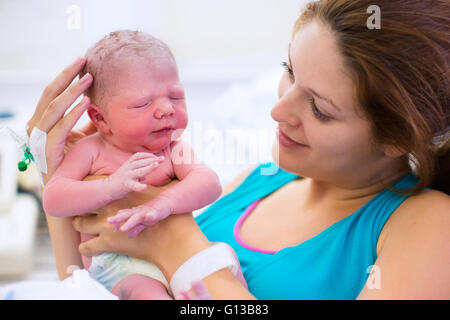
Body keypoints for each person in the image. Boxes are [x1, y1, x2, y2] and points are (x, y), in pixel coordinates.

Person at [28, 0, 449, 299]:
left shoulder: (429, 225)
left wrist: (177, 244)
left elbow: (172, 245)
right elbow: (83, 280)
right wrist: (61, 171)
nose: (278, 109)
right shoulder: (262, 179)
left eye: (319, 108)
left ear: (398, 137)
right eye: (289, 71)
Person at [39, 30, 224, 299]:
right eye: (144, 103)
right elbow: (53, 199)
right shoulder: (90, 150)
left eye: (175, 97)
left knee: (222, 257)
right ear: (100, 119)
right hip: (119, 268)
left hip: (172, 258)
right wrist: (109, 187)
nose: (166, 109)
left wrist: (162, 203)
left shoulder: (172, 150)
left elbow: (209, 183)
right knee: (144, 289)